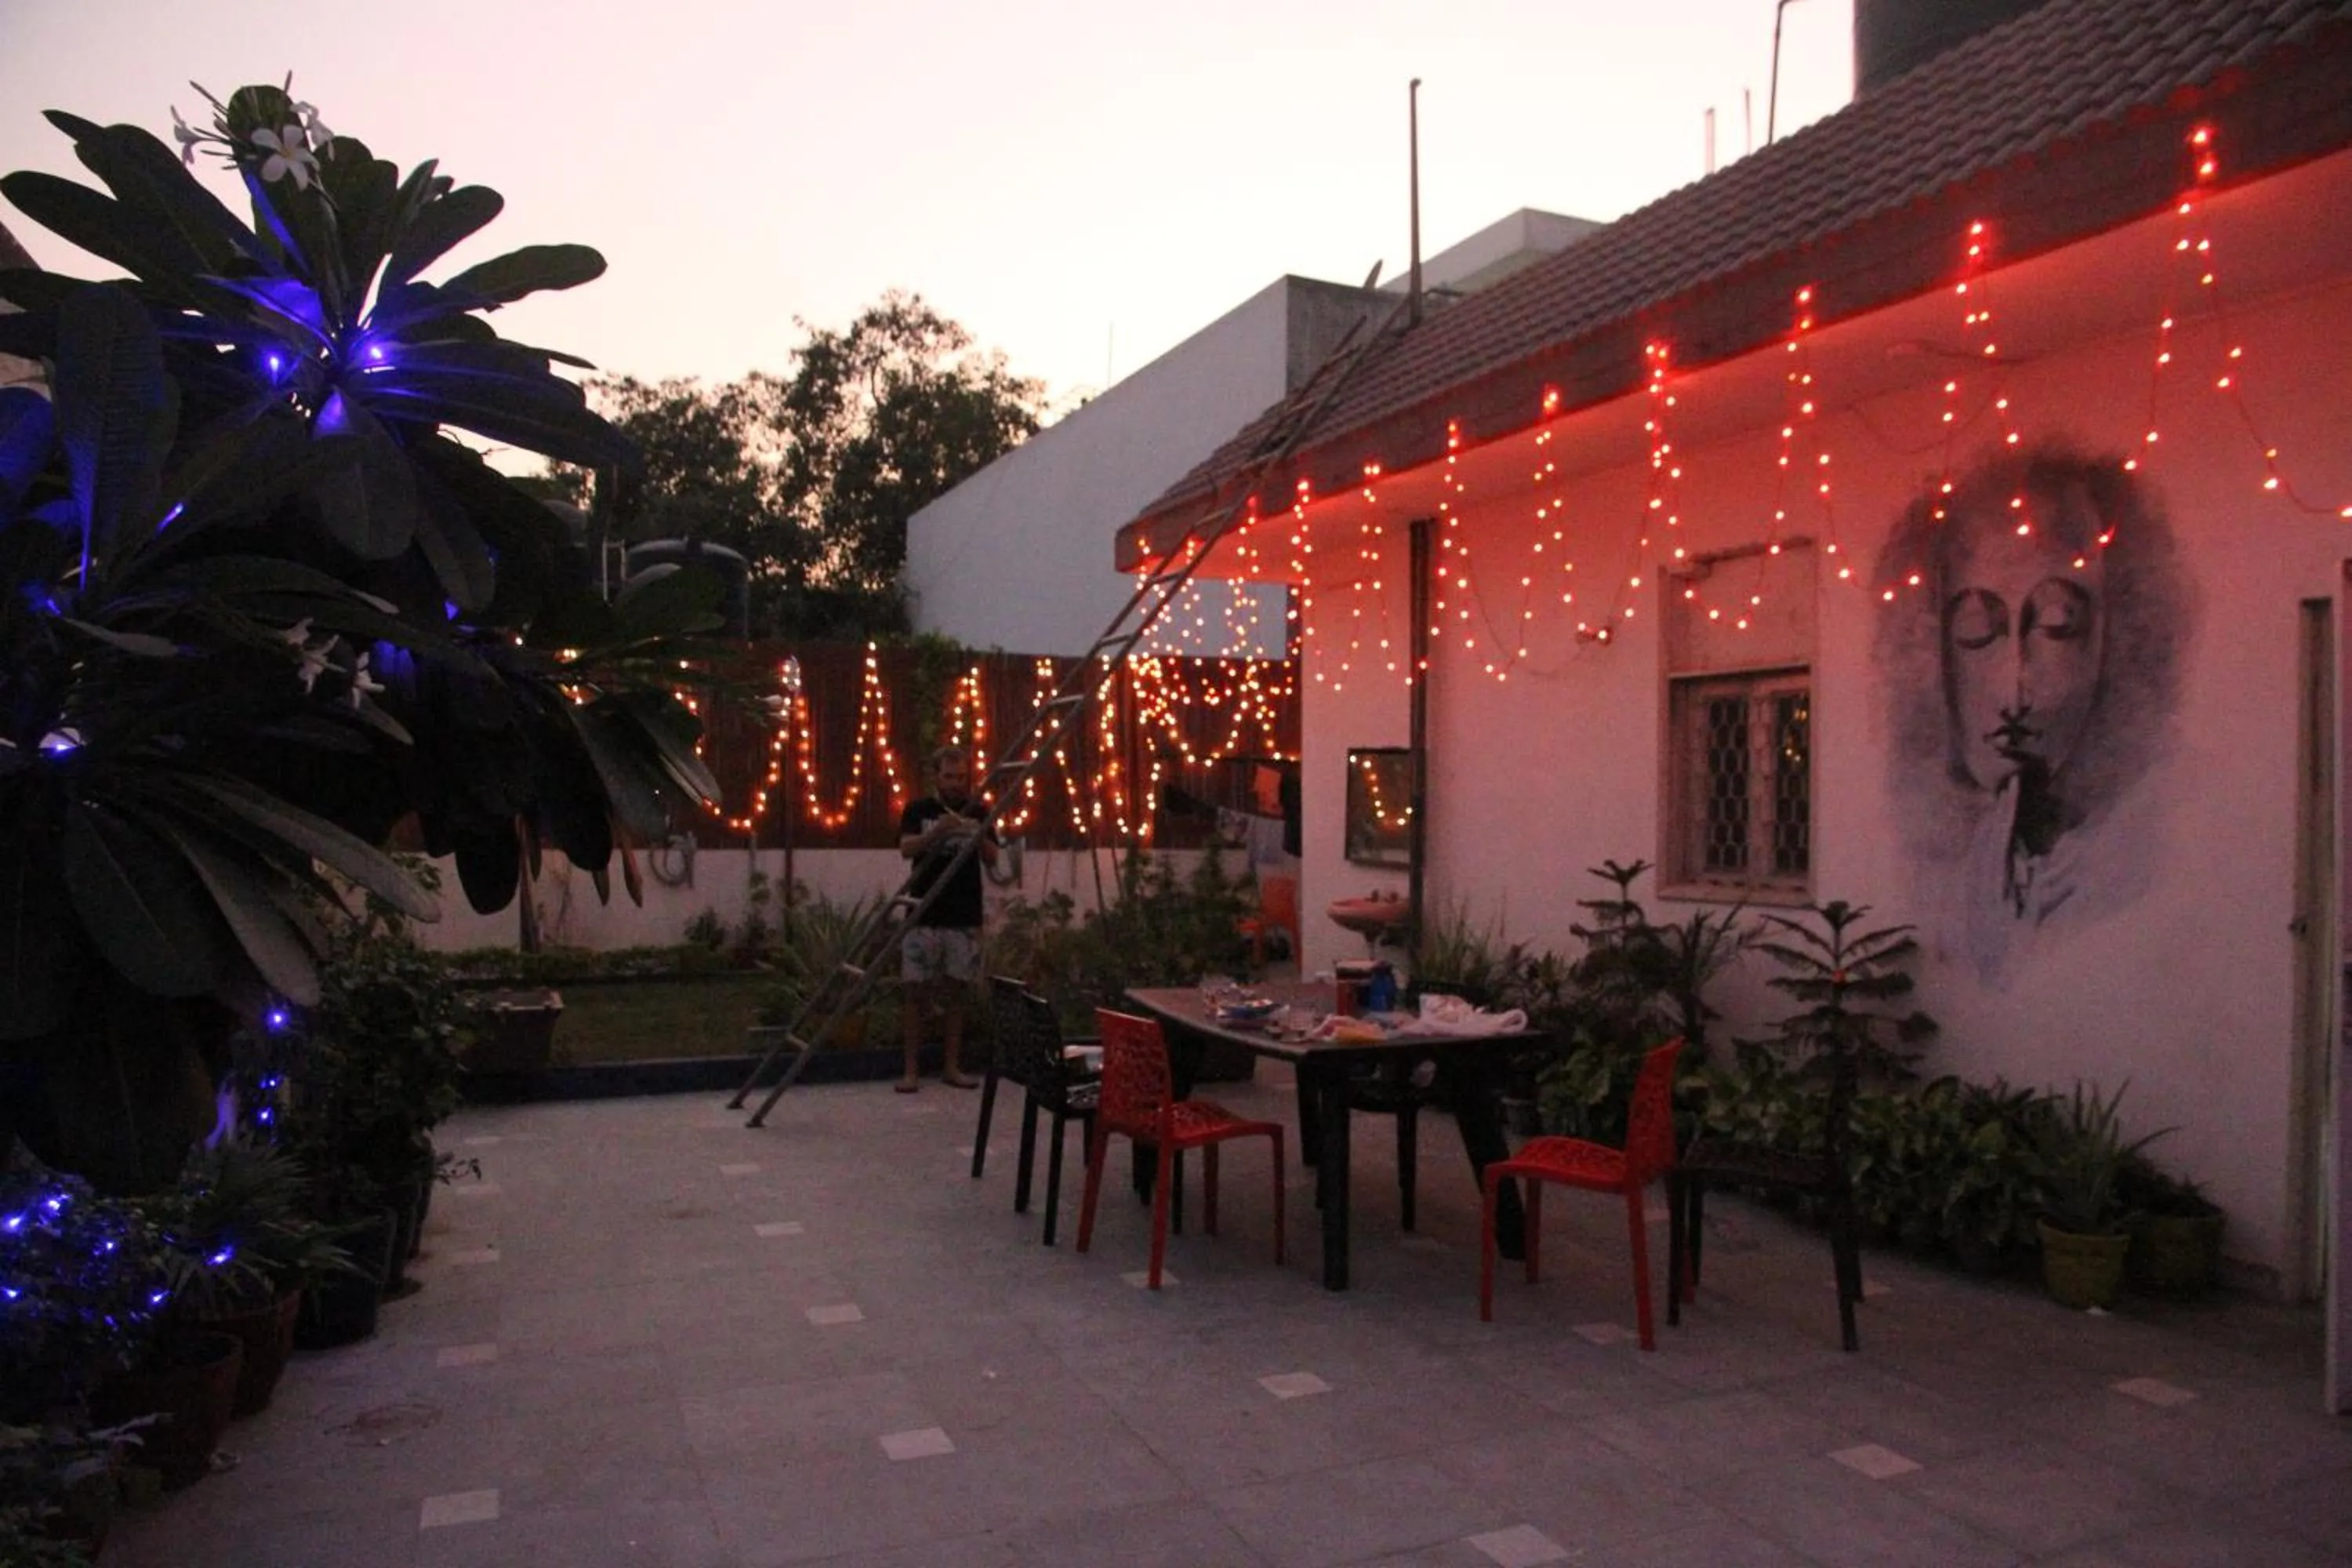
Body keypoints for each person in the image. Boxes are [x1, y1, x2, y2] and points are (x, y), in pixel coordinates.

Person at [895, 744, 999, 1091]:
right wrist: (939, 831)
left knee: (957, 994)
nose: (955, 783)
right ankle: (911, 1071)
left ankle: (951, 1067)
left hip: (962, 915)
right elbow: (905, 848)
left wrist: (976, 833)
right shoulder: (918, 809)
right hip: (923, 913)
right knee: (915, 994)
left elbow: (994, 858)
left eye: (961, 777)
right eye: (949, 776)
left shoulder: (978, 810)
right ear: (937, 777)